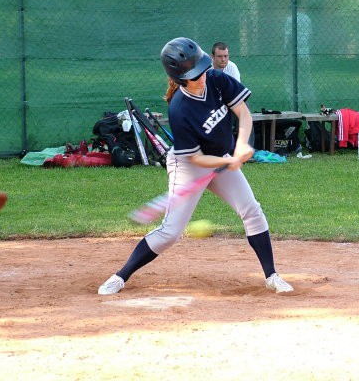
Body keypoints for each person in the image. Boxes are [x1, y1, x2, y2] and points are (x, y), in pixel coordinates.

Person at [98, 37, 293, 295]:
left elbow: (244, 114)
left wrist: (241, 145)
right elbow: (197, 158)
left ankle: (272, 276)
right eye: (195, 74)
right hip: (190, 165)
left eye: (203, 68)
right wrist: (227, 160)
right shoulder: (180, 108)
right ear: (180, 78)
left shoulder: (217, 79)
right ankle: (120, 276)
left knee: (252, 210)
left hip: (222, 158)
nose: (203, 75)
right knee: (170, 232)